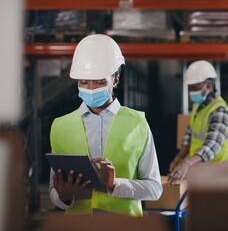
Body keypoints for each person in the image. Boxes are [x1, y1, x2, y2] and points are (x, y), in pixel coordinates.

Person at [49, 34, 162, 216]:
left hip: (124, 226)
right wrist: (64, 197)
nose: (91, 89)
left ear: (115, 79)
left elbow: (155, 188)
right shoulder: (60, 127)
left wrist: (115, 184)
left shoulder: (137, 124)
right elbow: (54, 193)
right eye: (84, 82)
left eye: (100, 82)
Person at [168, 60, 228, 185]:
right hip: (202, 168)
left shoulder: (219, 110)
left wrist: (186, 164)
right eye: (190, 88)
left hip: (219, 171)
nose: (191, 92)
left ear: (208, 86)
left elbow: (212, 145)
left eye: (194, 88)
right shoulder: (199, 106)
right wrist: (179, 159)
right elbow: (189, 136)